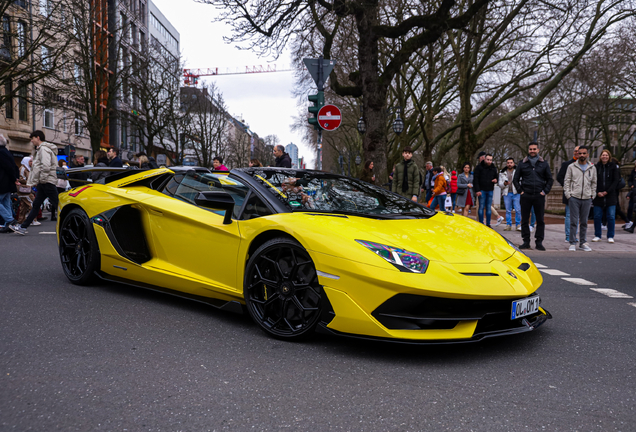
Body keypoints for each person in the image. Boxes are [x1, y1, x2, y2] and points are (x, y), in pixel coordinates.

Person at [10, 131, 59, 235]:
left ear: (38, 137)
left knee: (58, 204)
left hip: (46, 182)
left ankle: (70, 223)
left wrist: (43, 179)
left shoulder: (44, 149)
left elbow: (45, 166)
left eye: (32, 139)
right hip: (44, 182)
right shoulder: (42, 149)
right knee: (36, 205)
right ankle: (23, 227)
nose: (31, 141)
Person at [513, 142, 554, 250]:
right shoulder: (522, 163)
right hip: (526, 195)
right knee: (525, 220)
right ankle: (526, 241)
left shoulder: (544, 164)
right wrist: (520, 191)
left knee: (540, 220)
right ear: (528, 150)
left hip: (539, 195)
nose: (532, 151)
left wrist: (545, 191)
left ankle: (539, 242)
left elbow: (549, 179)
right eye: (530, 149)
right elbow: (515, 179)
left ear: (538, 150)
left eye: (534, 149)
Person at [563, 146, 596, 251]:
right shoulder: (571, 167)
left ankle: (583, 242)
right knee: (573, 221)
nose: (582, 155)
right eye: (580, 153)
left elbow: (594, 182)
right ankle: (572, 242)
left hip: (587, 197)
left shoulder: (592, 167)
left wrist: (592, 194)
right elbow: (567, 181)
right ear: (577, 154)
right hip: (574, 197)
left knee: (584, 222)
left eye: (584, 153)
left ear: (587, 154)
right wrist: (569, 194)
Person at [591, 149, 619, 243]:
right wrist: (597, 191)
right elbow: (593, 181)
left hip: (610, 196)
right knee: (597, 216)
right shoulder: (596, 167)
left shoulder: (613, 167)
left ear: (609, 157)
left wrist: (607, 191)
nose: (605, 157)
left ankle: (610, 235)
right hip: (598, 196)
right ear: (600, 157)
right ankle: (597, 235)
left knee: (611, 216)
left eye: (606, 155)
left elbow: (615, 181)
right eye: (603, 155)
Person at [557, 146, 579, 243]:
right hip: (569, 193)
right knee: (569, 215)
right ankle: (568, 235)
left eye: (579, 151)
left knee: (577, 216)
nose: (577, 153)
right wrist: (566, 187)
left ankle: (574, 235)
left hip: (580, 194)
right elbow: (559, 177)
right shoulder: (566, 164)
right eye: (575, 151)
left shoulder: (587, 165)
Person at [473, 153, 498, 227]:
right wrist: (477, 190)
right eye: (488, 160)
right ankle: (481, 223)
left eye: (490, 160)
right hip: (481, 190)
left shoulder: (493, 168)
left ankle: (488, 224)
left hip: (490, 189)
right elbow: (476, 180)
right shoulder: (479, 167)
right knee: (481, 207)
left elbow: (496, 177)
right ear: (484, 159)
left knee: (488, 207)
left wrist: (496, 179)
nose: (489, 161)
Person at [0, 134, 19, 230]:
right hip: (7, 183)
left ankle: (10, 220)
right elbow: (14, 167)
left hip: (2, 182)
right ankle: (10, 225)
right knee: (6, 203)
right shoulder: (7, 152)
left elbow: (8, 167)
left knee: (5, 202)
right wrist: (15, 178)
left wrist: (14, 178)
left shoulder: (1, 153)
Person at [499, 158, 521, 231]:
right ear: (506, 164)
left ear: (513, 164)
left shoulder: (518, 171)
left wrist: (520, 189)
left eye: (511, 162)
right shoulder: (502, 172)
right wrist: (504, 184)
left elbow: (521, 181)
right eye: (508, 163)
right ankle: (509, 224)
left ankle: (518, 224)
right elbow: (500, 184)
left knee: (518, 209)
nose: (509, 164)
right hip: (507, 193)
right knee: (508, 210)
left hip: (516, 193)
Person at [625, 161, 636, 233]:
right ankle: (629, 224)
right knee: (631, 207)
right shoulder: (633, 171)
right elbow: (629, 180)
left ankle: (631, 227)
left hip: (634, 192)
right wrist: (631, 185)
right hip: (634, 193)